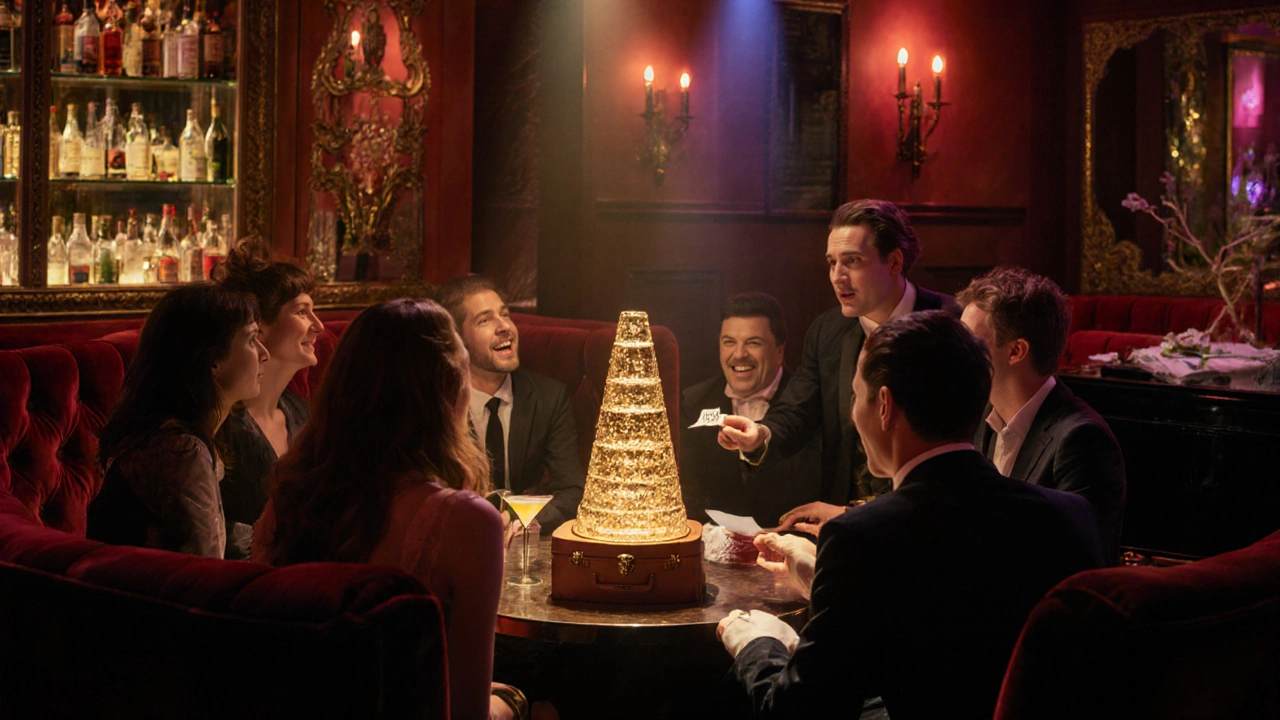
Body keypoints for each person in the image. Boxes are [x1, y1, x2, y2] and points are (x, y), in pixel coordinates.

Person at [718, 311, 1108, 720]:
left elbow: (801, 713)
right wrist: (823, 582)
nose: (854, 414)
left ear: (884, 405)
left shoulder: (860, 538)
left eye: (856, 396)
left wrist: (759, 645)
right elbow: (951, 630)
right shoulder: (1072, 514)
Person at [253, 299, 524, 720]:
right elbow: (464, 711)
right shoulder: (467, 520)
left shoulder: (288, 498)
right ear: (448, 389)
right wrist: (513, 702)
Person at [719, 199, 960, 529]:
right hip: (843, 524)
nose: (837, 277)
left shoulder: (953, 324)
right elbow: (798, 410)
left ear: (894, 261)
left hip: (928, 521)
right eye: (832, 263)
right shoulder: (828, 330)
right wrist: (760, 435)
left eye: (852, 262)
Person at [88, 284, 269, 558]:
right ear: (212, 360)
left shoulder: (185, 435)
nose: (264, 354)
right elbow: (205, 573)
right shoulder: (179, 451)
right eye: (251, 340)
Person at [958, 266, 1127, 560]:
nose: (955, 351)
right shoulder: (977, 418)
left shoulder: (1081, 440)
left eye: (969, 341)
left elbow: (1075, 559)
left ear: (1016, 351)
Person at [437, 275, 584, 533]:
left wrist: (525, 521)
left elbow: (571, 490)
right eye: (485, 320)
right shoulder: (436, 401)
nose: (503, 326)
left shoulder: (549, 397)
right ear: (457, 338)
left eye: (505, 314)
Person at [213, 238, 324, 559]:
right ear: (257, 326)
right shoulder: (221, 424)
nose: (317, 326)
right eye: (302, 312)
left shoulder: (303, 414)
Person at [680, 292, 820, 527]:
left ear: (779, 352)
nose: (739, 354)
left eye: (753, 343)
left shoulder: (809, 405)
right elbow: (689, 495)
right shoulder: (692, 402)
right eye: (729, 342)